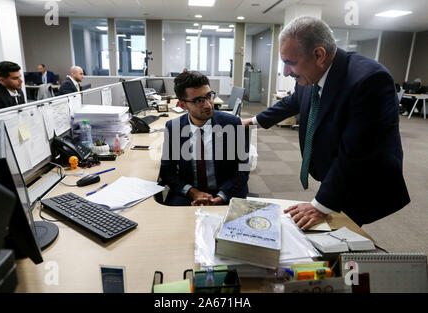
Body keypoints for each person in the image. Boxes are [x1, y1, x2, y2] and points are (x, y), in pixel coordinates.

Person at [242, 16, 410, 229]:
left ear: (319, 55)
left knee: (344, 236)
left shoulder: (369, 81)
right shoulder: (311, 73)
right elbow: (295, 101)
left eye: (289, 63)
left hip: (364, 182)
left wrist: (320, 205)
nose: (285, 72)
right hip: (337, 175)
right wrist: (254, 121)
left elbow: (355, 154)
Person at [160, 71, 249, 206]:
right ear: (183, 105)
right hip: (189, 194)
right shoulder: (174, 127)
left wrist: (220, 197)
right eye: (198, 101)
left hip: (227, 192)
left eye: (209, 96)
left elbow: (242, 168)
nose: (208, 105)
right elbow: (168, 171)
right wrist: (192, 192)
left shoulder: (232, 123)